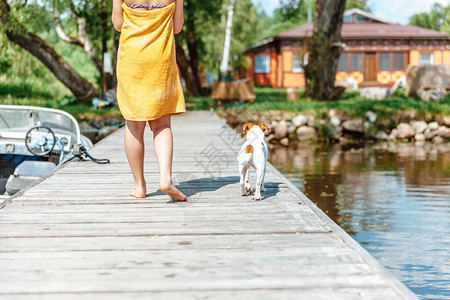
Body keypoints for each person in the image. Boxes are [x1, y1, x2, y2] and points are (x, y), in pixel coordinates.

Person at [112, 0, 187, 201]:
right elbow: (177, 27)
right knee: (161, 124)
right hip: (160, 59)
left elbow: (118, 24)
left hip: (132, 59)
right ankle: (165, 178)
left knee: (134, 124)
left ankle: (139, 187)